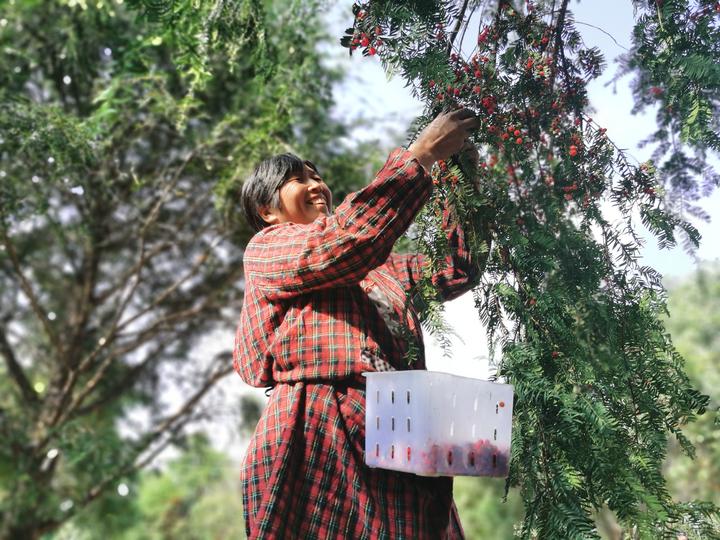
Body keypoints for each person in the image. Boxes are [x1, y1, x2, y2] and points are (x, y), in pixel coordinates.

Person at [234, 108, 487, 539]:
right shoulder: (267, 249)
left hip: (401, 420)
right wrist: (421, 155)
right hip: (321, 421)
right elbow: (349, 241)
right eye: (298, 179)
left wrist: (459, 175)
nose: (317, 186)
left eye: (317, 177)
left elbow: (457, 267)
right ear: (267, 210)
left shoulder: (383, 270)